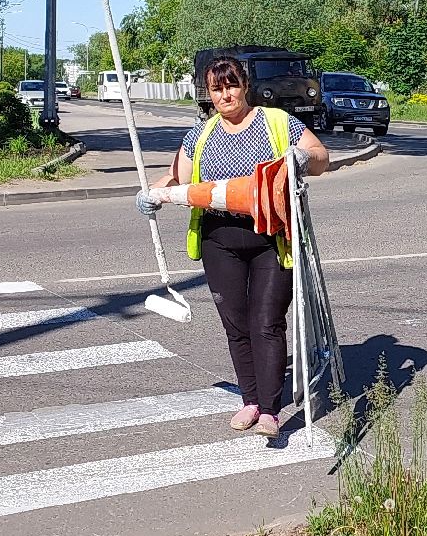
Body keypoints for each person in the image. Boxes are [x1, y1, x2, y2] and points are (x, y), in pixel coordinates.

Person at [138, 56, 330, 438]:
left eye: (231, 85)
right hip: (219, 240)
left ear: (244, 85)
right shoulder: (200, 134)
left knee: (267, 323)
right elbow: (180, 179)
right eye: (216, 88)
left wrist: (301, 157)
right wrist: (151, 195)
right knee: (236, 326)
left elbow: (323, 158)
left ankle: (270, 412)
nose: (225, 94)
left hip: (271, 239)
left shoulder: (278, 123)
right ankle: (251, 400)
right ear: (209, 94)